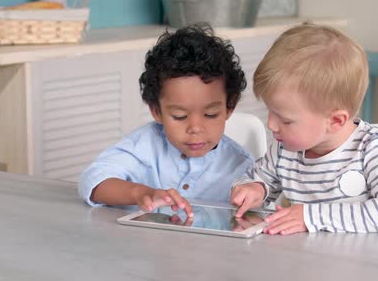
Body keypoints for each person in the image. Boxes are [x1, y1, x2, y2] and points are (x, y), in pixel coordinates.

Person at [230, 23, 378, 235]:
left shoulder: (373, 148)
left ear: (335, 121)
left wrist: (310, 217)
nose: (271, 125)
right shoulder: (285, 148)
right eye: (270, 111)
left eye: (285, 120)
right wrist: (255, 189)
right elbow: (260, 179)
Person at [78, 24, 252, 218]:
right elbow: (93, 182)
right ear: (156, 111)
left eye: (211, 114)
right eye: (180, 116)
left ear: (229, 106)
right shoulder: (144, 145)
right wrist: (141, 193)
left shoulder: (240, 165)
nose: (195, 128)